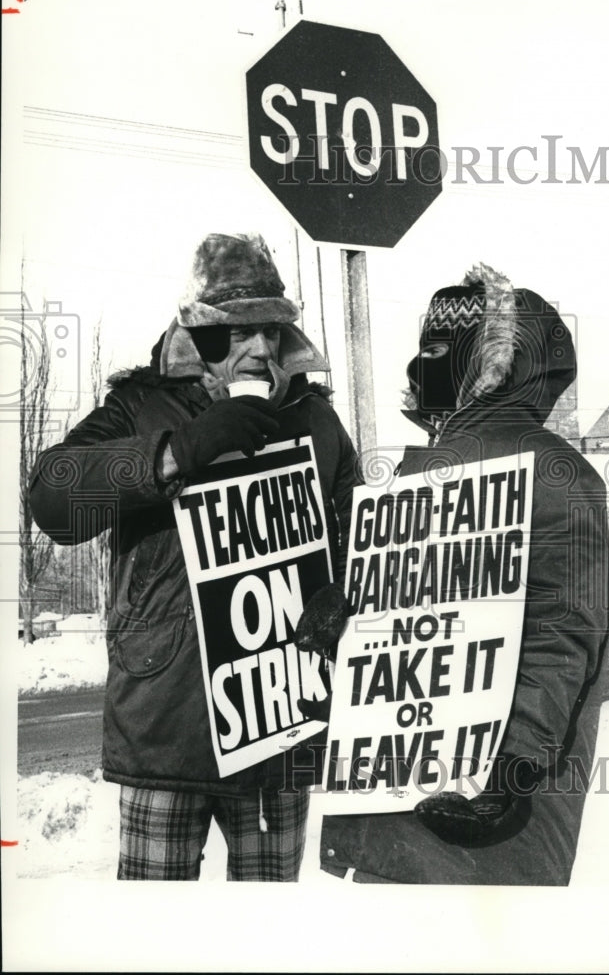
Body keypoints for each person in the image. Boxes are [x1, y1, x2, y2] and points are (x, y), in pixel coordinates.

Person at [29, 231, 361, 881]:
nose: (256, 349)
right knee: (155, 930)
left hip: (278, 726)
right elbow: (52, 497)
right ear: (200, 337)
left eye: (269, 329)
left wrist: (340, 596)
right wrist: (178, 450)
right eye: (235, 331)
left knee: (263, 932)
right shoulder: (140, 406)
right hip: (167, 726)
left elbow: (360, 542)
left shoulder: (316, 420)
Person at [300, 261, 609, 885]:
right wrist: (344, 627)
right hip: (406, 820)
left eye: (438, 349)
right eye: (420, 348)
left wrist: (511, 776)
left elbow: (560, 640)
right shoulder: (412, 476)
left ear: (496, 363)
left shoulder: (555, 475)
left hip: (485, 835)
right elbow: (416, 629)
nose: (418, 368)